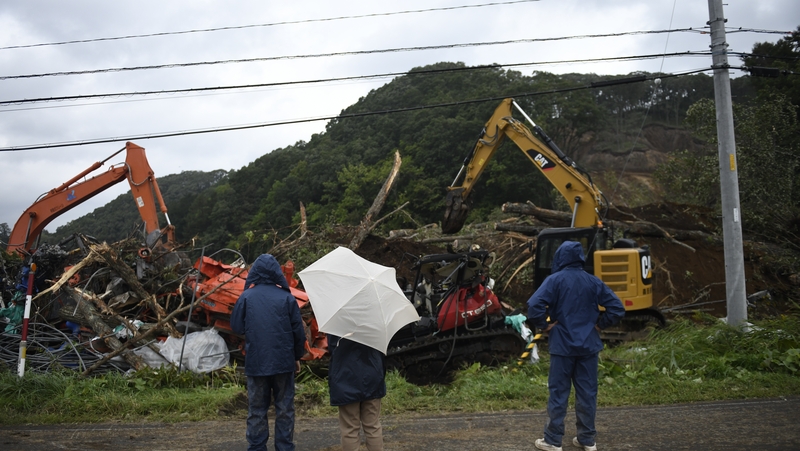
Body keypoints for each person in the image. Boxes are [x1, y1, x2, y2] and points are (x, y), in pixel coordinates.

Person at [527, 241, 625, 451]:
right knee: (587, 393)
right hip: (589, 345)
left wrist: (545, 326)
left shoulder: (554, 280)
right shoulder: (593, 281)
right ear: (580, 258)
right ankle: (587, 440)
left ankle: (553, 441)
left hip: (562, 346)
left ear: (560, 257)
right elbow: (617, 308)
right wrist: (599, 325)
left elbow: (533, 305)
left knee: (558, 393)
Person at [230, 254, 307, 451]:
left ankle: (256, 447)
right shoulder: (287, 298)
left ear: (254, 272)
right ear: (276, 272)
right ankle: (284, 447)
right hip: (283, 362)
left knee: (257, 409)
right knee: (284, 409)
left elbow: (237, 327)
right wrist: (297, 357)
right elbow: (298, 333)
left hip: (257, 363)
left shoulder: (246, 297)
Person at [327, 333, 386, 451]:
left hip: (345, 375)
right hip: (372, 373)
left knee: (350, 429)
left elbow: (332, 346)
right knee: (372, 426)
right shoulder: (374, 317)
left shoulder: (336, 318)